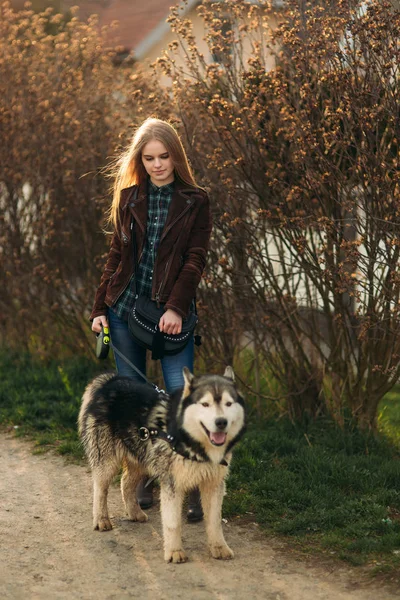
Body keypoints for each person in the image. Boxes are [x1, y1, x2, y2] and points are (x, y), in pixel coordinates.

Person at [90, 117, 212, 522]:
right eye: (149, 158)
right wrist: (99, 310)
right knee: (135, 399)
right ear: (140, 161)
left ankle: (189, 483)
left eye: (164, 157)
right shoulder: (129, 198)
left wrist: (177, 308)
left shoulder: (196, 200)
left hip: (172, 315)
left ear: (176, 156)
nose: (158, 164)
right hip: (125, 312)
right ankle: (141, 476)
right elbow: (116, 258)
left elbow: (195, 260)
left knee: (182, 396)